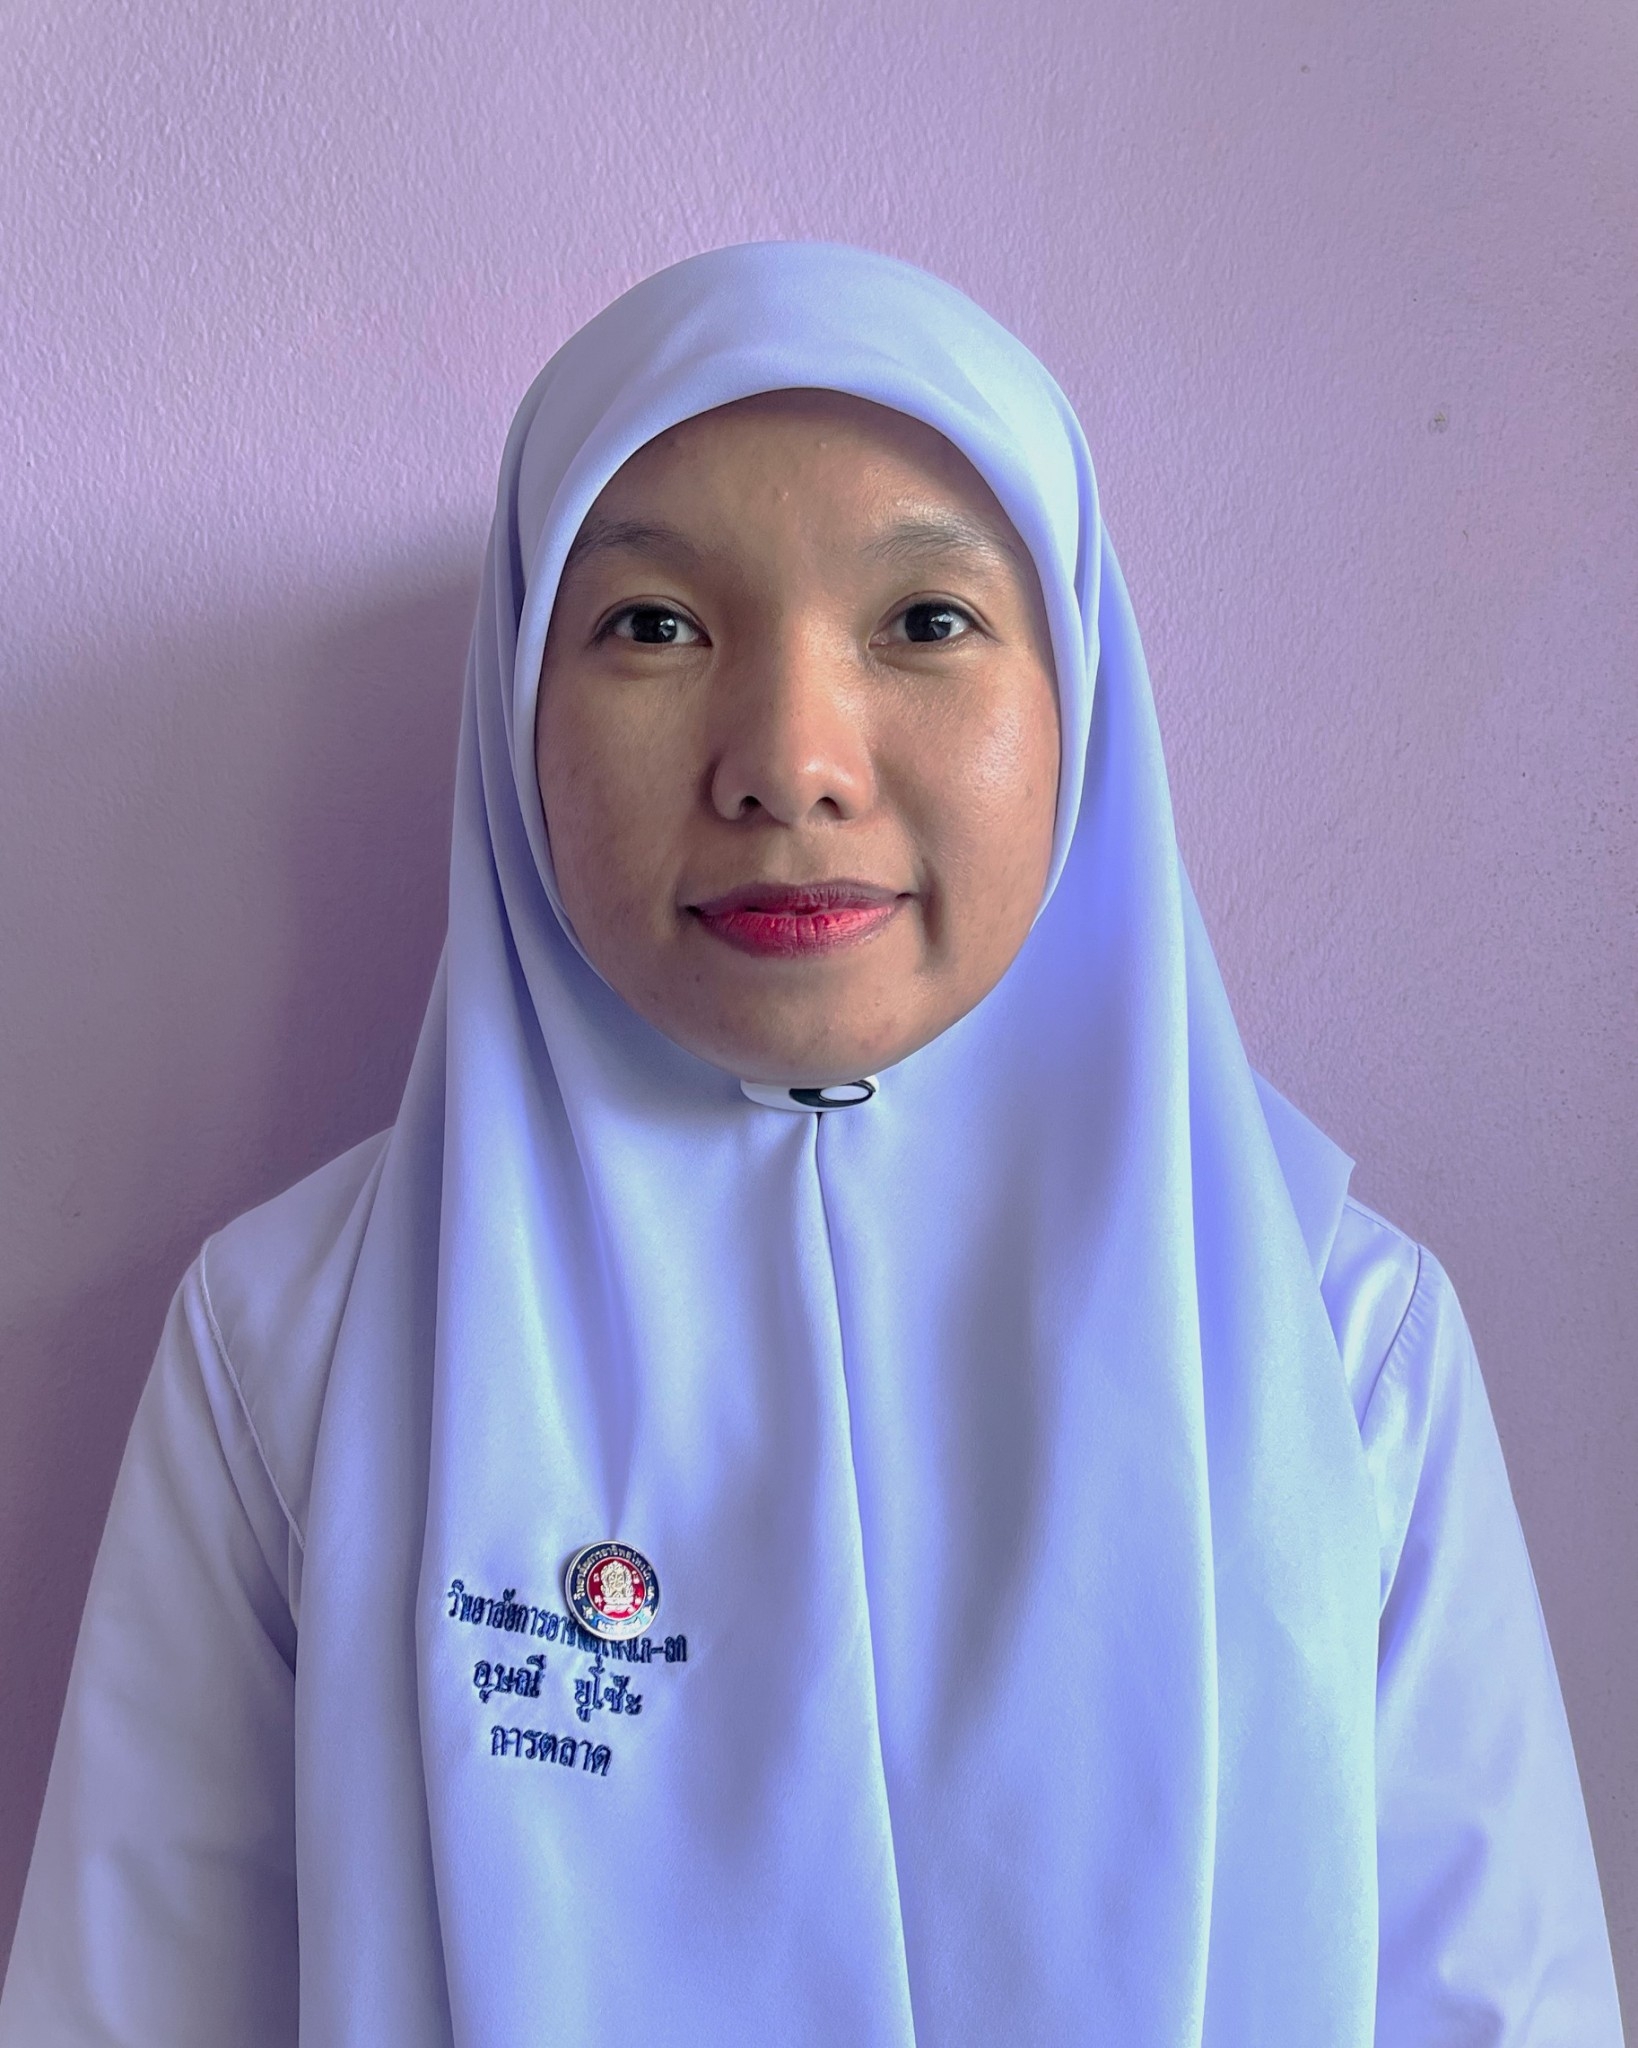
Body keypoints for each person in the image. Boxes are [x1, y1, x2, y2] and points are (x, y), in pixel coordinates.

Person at [0, 243, 1623, 2046]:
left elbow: (1505, 2005)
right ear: (514, 706)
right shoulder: (296, 1345)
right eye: (653, 626)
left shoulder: (1337, 1338)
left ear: (1080, 693)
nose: (788, 761)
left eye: (924, 621)